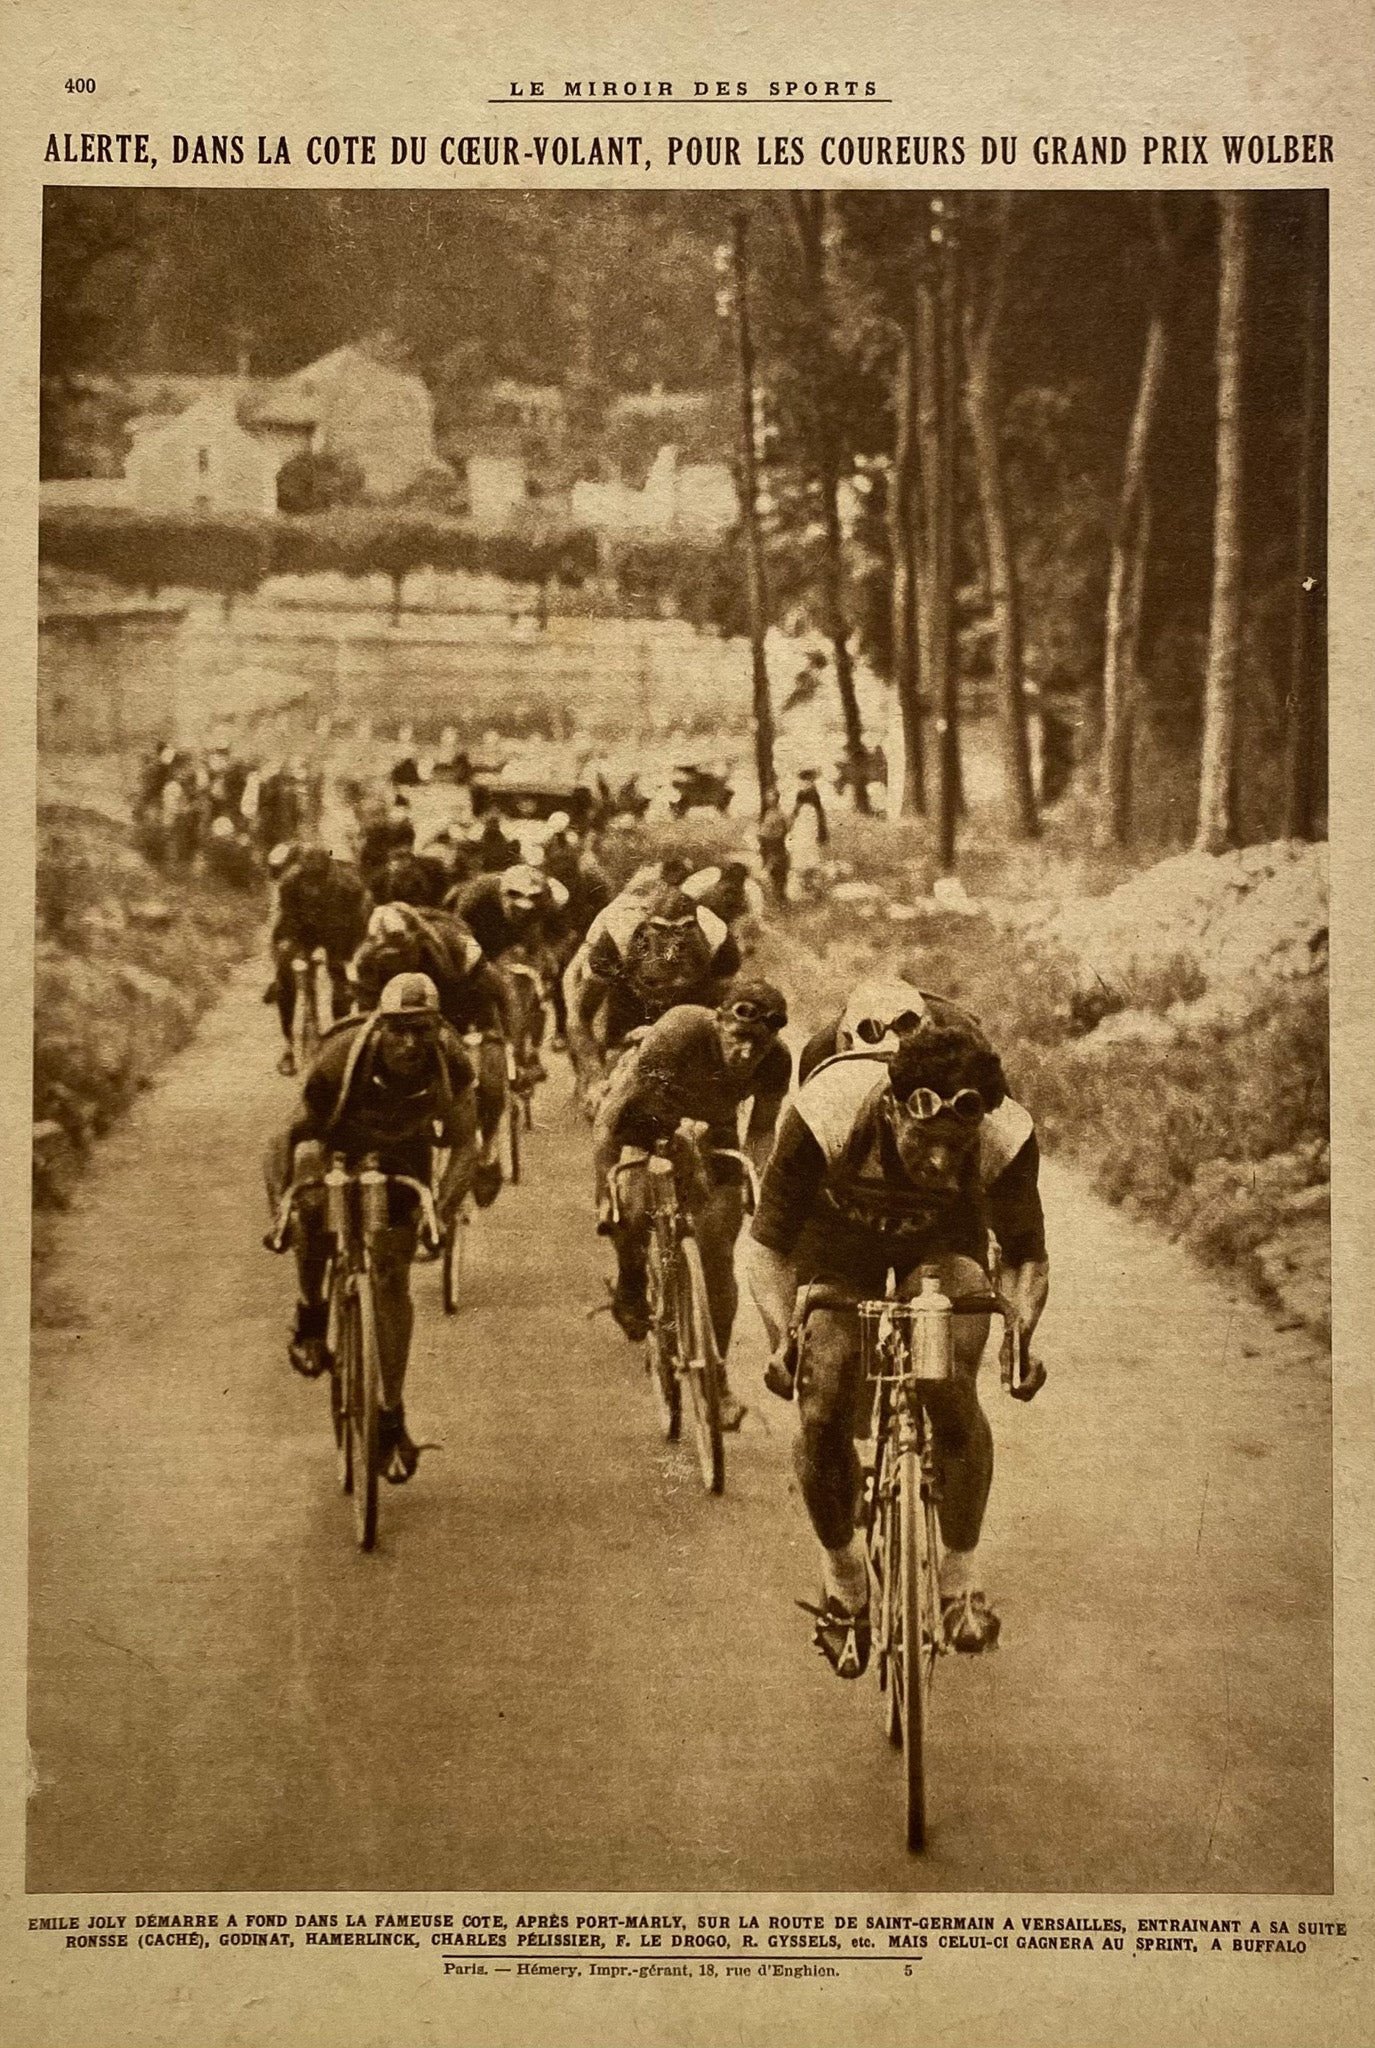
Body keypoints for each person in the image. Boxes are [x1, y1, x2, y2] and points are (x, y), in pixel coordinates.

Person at [743, 1013, 1049, 1678]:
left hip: (941, 1250)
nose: (939, 1160)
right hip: (835, 1248)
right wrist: (780, 1337)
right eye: (922, 1140)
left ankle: (956, 1583)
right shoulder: (824, 1110)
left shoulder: (1003, 1133)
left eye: (953, 1144)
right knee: (822, 1403)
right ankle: (846, 1582)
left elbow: (1022, 1258)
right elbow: (766, 1246)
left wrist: (1019, 1334)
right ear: (890, 1106)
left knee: (948, 1381)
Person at [263, 972, 479, 1482]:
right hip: (336, 1139)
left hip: (404, 1152)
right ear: (380, 1028)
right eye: (399, 1030)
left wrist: (441, 1213)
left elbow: (466, 1144)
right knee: (313, 1210)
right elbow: (282, 1141)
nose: (410, 1043)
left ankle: (390, 1414)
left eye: (422, 1030)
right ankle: (312, 1315)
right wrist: (281, 1213)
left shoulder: (450, 1063)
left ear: (438, 1029)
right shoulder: (339, 1062)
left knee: (390, 1274)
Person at [592, 983, 792, 1423]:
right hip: (644, 1115)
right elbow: (628, 1114)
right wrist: (607, 1187)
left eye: (757, 1045)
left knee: (717, 1254)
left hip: (711, 1130)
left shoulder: (777, 1061)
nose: (745, 1053)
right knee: (634, 1209)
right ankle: (629, 1281)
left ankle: (717, 1381)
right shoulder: (682, 1029)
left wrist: (758, 1179)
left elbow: (761, 1130)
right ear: (718, 1020)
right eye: (737, 1037)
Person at [353, 902, 514, 1206]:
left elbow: (499, 991)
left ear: (418, 939)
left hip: (464, 1009)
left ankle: (488, 1153)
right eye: (389, 958)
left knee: (492, 1083)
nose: (397, 962)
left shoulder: (455, 947)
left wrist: (509, 1042)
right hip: (403, 1020)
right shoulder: (366, 960)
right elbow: (363, 1020)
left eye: (403, 954)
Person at [564, 885, 743, 1115]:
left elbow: (730, 1013)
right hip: (631, 1012)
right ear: (646, 930)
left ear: (696, 928)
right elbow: (579, 1018)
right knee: (610, 1108)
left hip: (694, 1007)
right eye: (662, 933)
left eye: (684, 933)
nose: (672, 947)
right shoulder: (618, 940)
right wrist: (596, 1078)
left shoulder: (718, 941)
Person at [270, 846, 370, 1075]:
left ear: (327, 870)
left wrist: (347, 959)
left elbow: (356, 926)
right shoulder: (290, 883)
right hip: (302, 933)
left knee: (344, 985)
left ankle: (342, 1039)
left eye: (317, 879)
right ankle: (289, 1044)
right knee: (286, 975)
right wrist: (291, 951)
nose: (312, 886)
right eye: (307, 878)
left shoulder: (348, 887)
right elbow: (287, 921)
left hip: (339, 934)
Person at [757, 796, 790, 906]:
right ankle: (780, 900)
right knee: (778, 876)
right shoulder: (777, 814)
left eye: (771, 799)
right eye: (769, 798)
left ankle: (779, 901)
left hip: (774, 847)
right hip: (777, 847)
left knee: (776, 875)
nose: (769, 801)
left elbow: (764, 833)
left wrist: (763, 837)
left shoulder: (774, 815)